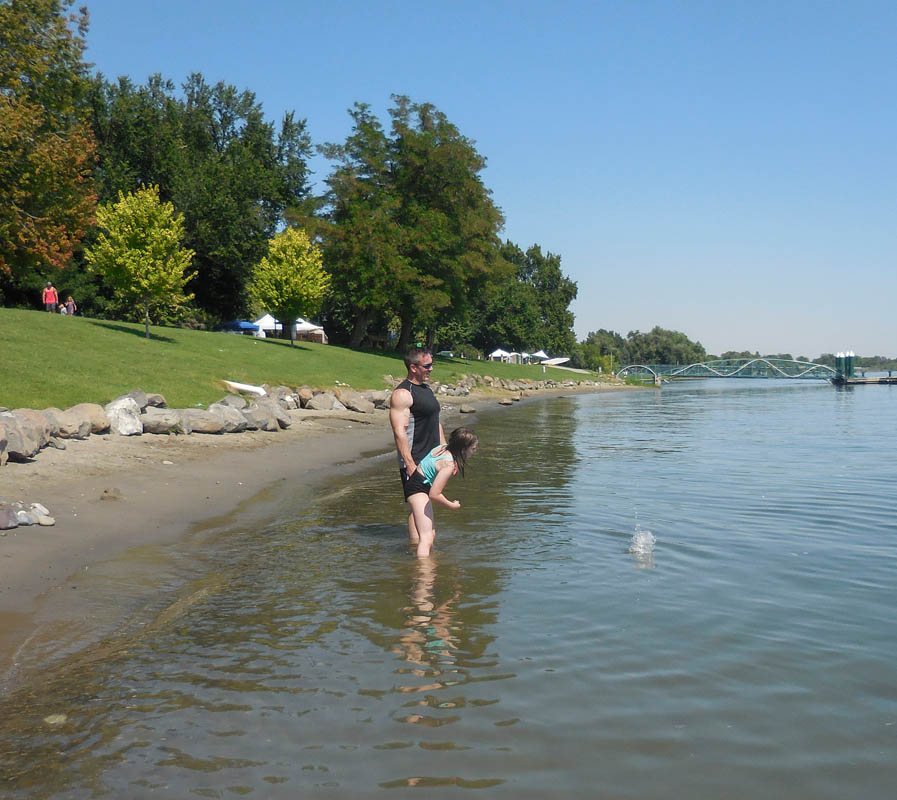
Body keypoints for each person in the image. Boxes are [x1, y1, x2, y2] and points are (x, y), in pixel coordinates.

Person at [390, 347, 445, 549]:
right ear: (413, 367)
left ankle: (414, 549)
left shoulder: (425, 389)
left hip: (431, 461)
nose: (431, 369)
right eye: (427, 365)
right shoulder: (403, 394)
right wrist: (411, 466)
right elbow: (399, 432)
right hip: (416, 463)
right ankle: (423, 571)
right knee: (428, 529)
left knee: (418, 511)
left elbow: (435, 423)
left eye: (432, 364)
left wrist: (446, 453)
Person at [398, 427, 478, 558]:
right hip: (418, 490)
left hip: (416, 484)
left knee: (431, 534)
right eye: (473, 449)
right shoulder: (447, 465)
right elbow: (434, 494)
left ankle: (426, 557)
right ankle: (424, 573)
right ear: (463, 450)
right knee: (426, 538)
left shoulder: (443, 447)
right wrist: (451, 505)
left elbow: (440, 434)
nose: (474, 451)